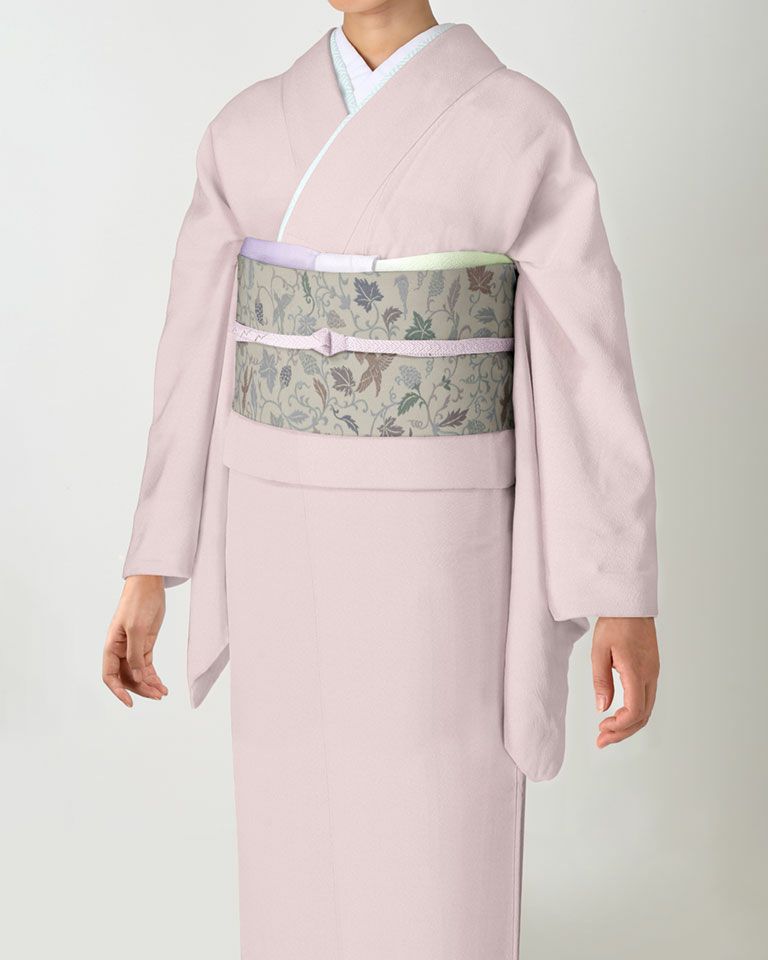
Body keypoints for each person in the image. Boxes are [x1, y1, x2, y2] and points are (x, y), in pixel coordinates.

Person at [103, 2, 660, 957]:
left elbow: (586, 362)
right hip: (276, 528)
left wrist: (621, 592)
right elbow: (192, 350)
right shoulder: (246, 129)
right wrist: (151, 565)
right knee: (291, 827)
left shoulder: (520, 125)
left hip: (443, 541)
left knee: (436, 827)